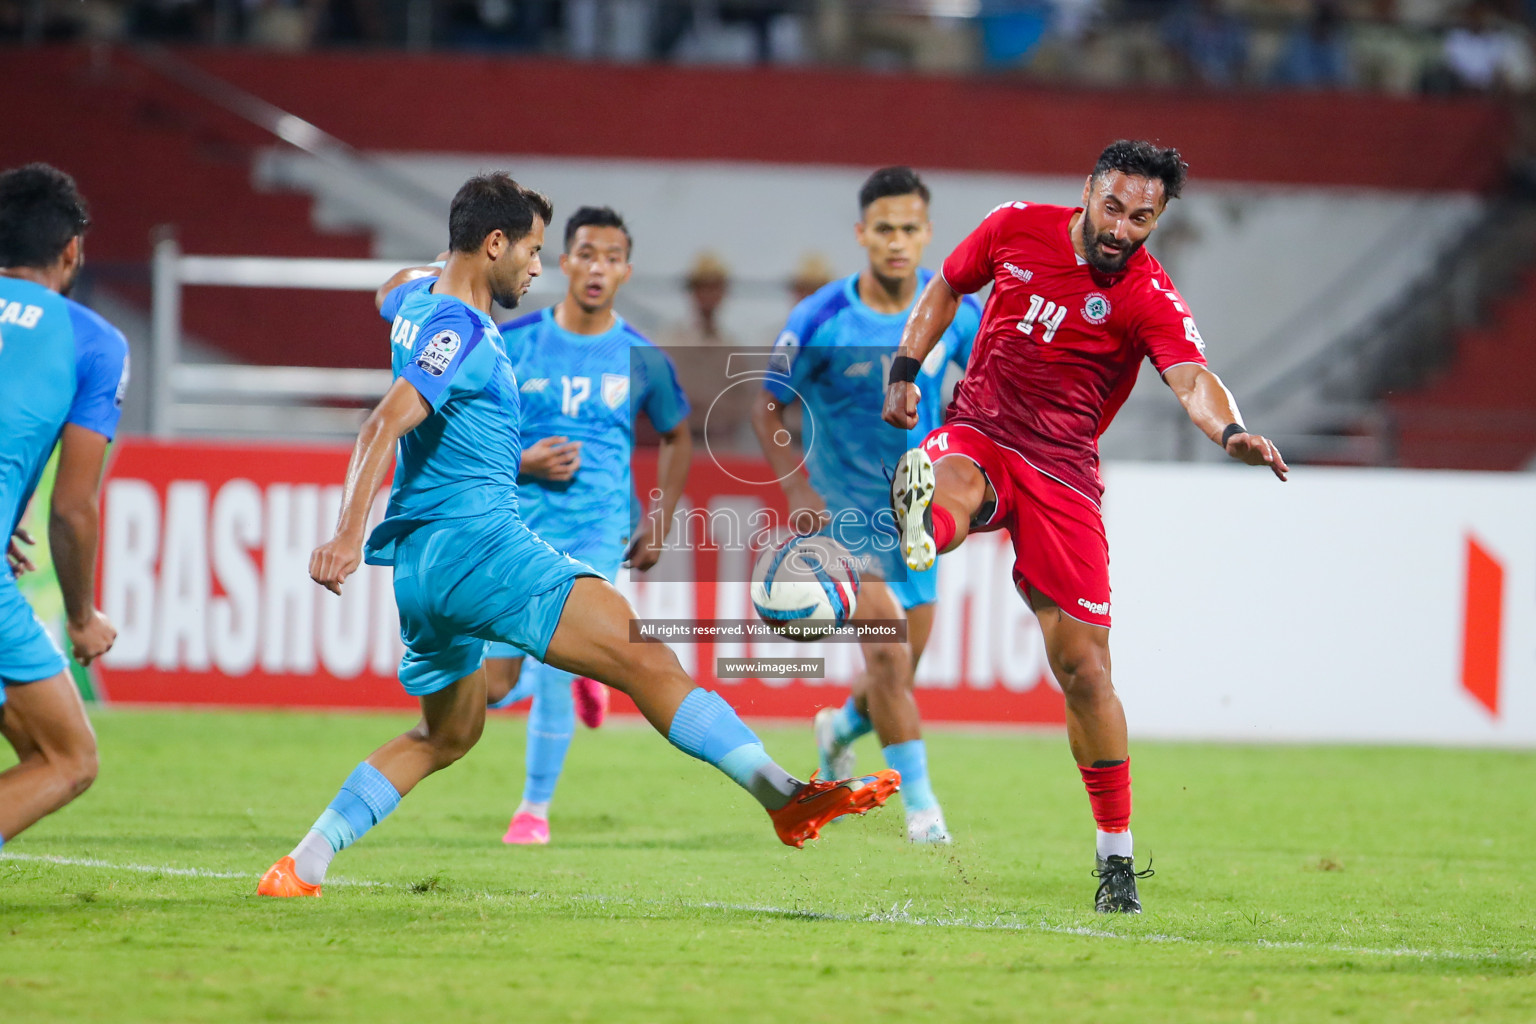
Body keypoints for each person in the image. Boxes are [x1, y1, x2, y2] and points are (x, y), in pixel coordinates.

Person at [257, 173, 897, 897]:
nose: (538, 266)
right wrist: (345, 533)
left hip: (420, 570)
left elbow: (392, 289)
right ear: (492, 244)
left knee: (447, 735)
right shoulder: (458, 329)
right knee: (645, 659)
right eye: (530, 251)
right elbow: (383, 421)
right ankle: (782, 796)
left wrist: (438, 273)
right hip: (482, 549)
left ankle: (302, 863)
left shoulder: (417, 302)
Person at [883, 141, 1287, 912]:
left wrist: (1230, 433)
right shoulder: (1014, 229)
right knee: (957, 482)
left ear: (1156, 218)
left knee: (1085, 672)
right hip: (982, 429)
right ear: (1087, 192)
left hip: (1063, 473)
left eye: (1142, 218)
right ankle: (926, 517)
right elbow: (946, 286)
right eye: (1113, 208)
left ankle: (1116, 859)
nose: (1123, 229)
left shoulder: (1147, 295)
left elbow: (1192, 378)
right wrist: (907, 368)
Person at [752, 167, 978, 844]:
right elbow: (768, 401)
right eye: (884, 229)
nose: (897, 241)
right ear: (862, 235)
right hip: (844, 518)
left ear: (928, 233)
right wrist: (797, 488)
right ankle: (923, 809)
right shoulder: (823, 317)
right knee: (887, 662)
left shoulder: (956, 314)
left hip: (919, 520)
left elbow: (982, 392)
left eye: (910, 228)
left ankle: (839, 726)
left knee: (900, 672)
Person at [482, 205, 693, 846]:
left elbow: (679, 435)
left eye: (611, 257)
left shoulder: (641, 357)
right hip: (518, 529)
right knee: (494, 683)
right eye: (586, 253)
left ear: (626, 271)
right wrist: (522, 462)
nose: (597, 267)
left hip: (596, 532)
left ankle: (532, 811)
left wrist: (658, 521)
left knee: (551, 663)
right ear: (564, 261)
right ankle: (584, 679)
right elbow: (474, 435)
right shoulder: (513, 344)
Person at [0, 164, 128, 853]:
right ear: (72, 249)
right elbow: (74, 508)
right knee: (68, 757)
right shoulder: (90, 340)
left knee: (31, 738)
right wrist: (80, 619)